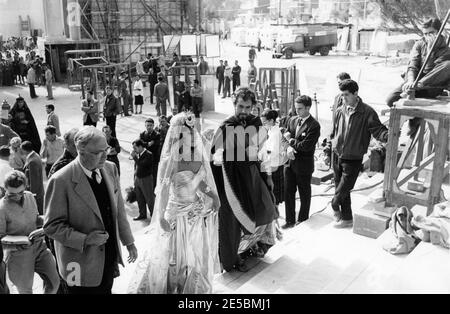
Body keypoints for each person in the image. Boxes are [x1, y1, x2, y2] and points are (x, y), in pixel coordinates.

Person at [128, 112, 220, 294]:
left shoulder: (196, 156)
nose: (190, 137)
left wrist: (214, 196)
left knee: (194, 255)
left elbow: (199, 182)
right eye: (184, 134)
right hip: (175, 216)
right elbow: (162, 190)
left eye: (191, 133)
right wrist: (160, 216)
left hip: (193, 214)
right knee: (172, 257)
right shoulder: (171, 160)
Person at [44, 127, 137, 294]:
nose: (105, 155)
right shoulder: (60, 180)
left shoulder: (110, 168)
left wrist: (129, 242)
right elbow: (51, 226)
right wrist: (85, 239)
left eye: (106, 149)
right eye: (98, 152)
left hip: (107, 259)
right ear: (81, 151)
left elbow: (119, 210)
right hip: (77, 265)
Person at [211, 87, 277, 272]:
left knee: (264, 212)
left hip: (253, 178)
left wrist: (268, 176)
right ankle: (232, 259)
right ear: (234, 105)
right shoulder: (226, 126)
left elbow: (264, 153)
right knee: (231, 222)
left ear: (253, 107)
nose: (244, 111)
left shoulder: (256, 124)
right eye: (240, 106)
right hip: (230, 183)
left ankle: (254, 247)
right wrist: (220, 156)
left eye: (248, 107)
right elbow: (213, 156)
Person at [325, 80, 389, 228]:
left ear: (355, 93)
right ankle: (347, 219)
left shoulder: (367, 112)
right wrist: (329, 149)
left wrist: (389, 135)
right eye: (342, 95)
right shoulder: (340, 110)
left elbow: (378, 130)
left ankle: (335, 206)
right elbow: (333, 132)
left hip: (353, 158)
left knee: (341, 192)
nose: (344, 98)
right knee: (341, 190)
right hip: (337, 155)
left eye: (346, 95)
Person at [0, 171, 60, 294]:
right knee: (25, 291)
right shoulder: (1, 208)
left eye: (20, 193)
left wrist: (48, 221)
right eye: (12, 194)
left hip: (40, 247)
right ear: (5, 189)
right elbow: (1, 236)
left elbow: (35, 218)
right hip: (18, 254)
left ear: (25, 188)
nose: (17, 197)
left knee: (54, 283)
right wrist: (17, 242)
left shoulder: (29, 197)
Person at [386, 18, 450, 108]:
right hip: (413, 82)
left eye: (431, 33)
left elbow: (430, 71)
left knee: (448, 65)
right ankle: (414, 88)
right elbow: (413, 65)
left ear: (439, 32)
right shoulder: (419, 44)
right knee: (391, 99)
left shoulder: (446, 50)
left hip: (430, 87)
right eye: (425, 34)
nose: (427, 36)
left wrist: (430, 51)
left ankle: (416, 87)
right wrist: (411, 81)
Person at [282, 96, 321, 228]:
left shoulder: (314, 125)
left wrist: (291, 141)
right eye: (296, 108)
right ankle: (289, 220)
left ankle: (303, 219)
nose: (297, 111)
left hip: (303, 166)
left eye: (300, 109)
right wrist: (288, 148)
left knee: (304, 194)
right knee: (288, 192)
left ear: (308, 108)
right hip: (290, 163)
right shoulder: (292, 120)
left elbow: (306, 146)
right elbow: (284, 137)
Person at [131, 139, 155, 221]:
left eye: (135, 148)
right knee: (139, 198)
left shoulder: (148, 154)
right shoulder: (138, 154)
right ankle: (142, 214)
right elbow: (136, 167)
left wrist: (134, 157)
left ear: (140, 146)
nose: (134, 150)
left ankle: (153, 215)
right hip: (138, 178)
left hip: (146, 179)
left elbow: (141, 165)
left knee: (149, 198)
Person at [21, 141, 45, 215]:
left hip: (35, 194)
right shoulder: (35, 155)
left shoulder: (32, 161)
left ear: (24, 150)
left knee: (37, 214)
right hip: (38, 192)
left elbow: (34, 181)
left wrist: (32, 195)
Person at [140, 118, 161, 192]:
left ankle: (152, 191)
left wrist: (145, 144)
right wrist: (148, 144)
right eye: (147, 125)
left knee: (153, 176)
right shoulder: (142, 134)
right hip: (144, 159)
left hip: (154, 159)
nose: (149, 127)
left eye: (151, 125)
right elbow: (140, 145)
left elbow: (156, 146)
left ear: (153, 125)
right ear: (145, 125)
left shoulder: (157, 135)